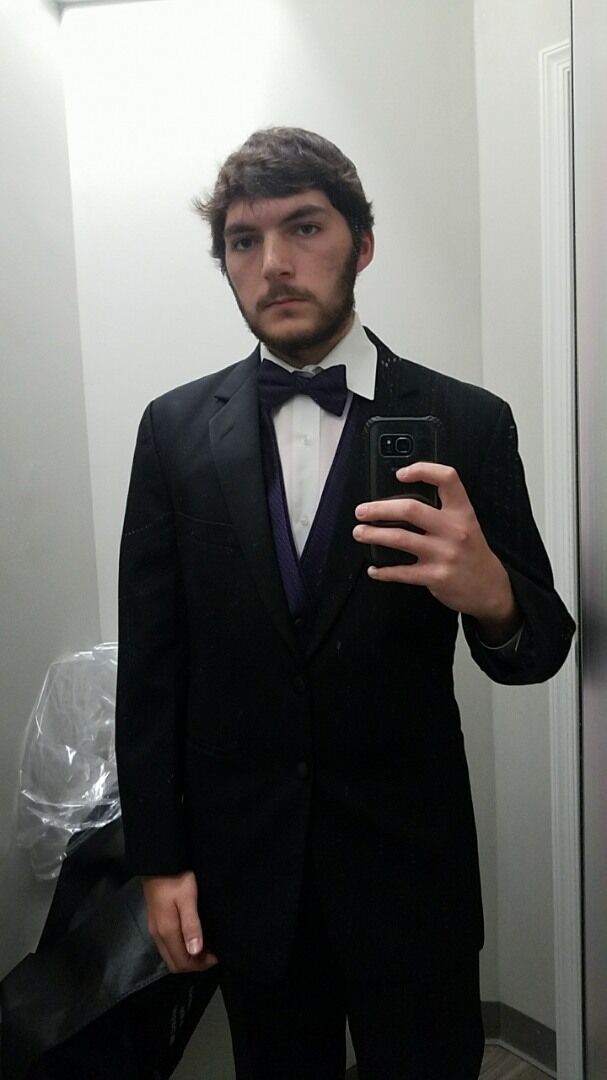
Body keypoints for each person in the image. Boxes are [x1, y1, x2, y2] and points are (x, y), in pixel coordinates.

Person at [115, 127, 575, 1080]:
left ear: (361, 245)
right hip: (248, 870)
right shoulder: (173, 430)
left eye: (304, 228)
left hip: (410, 870)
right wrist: (158, 862)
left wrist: (491, 595)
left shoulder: (466, 421)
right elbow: (152, 667)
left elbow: (538, 648)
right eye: (243, 241)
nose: (273, 264)